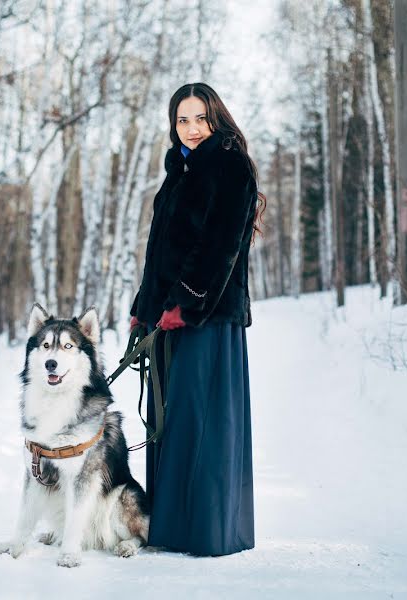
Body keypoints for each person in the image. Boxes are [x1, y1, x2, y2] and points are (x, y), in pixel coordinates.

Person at [129, 82, 264, 556]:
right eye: (182, 120)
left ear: (216, 119)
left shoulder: (228, 164)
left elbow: (220, 246)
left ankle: (208, 532)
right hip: (166, 318)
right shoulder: (178, 172)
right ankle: (170, 528)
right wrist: (143, 309)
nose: (190, 129)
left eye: (199, 118)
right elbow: (159, 253)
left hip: (207, 318)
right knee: (173, 421)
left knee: (200, 421)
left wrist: (184, 303)